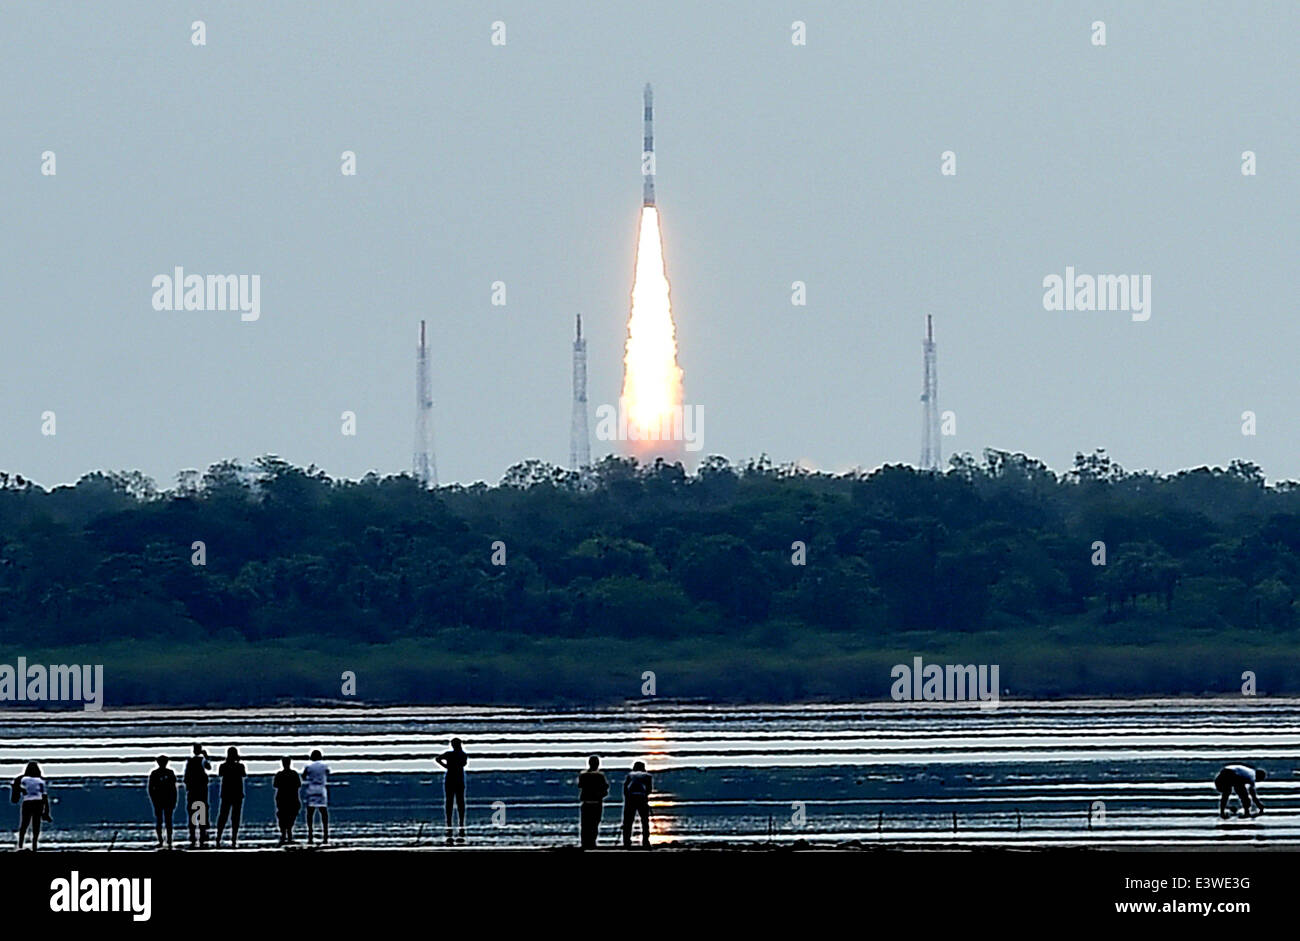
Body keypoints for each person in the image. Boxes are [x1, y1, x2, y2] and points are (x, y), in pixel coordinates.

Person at [435, 738, 468, 844]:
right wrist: (447, 766)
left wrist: (447, 766)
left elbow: (438, 759)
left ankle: (451, 823)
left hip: (451, 778)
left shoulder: (451, 754)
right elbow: (463, 764)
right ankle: (459, 823)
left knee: (451, 802)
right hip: (457, 779)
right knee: (459, 802)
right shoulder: (462, 755)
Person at [215, 746, 247, 848]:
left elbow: (220, 774)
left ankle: (219, 837)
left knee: (223, 816)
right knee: (235, 817)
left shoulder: (223, 766)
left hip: (226, 793)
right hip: (237, 793)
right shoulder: (240, 766)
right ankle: (233, 838)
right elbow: (243, 774)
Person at [14, 762, 50, 851]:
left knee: (24, 824)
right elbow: (45, 797)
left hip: (27, 802)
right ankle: (34, 846)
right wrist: (46, 812)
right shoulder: (41, 781)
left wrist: (21, 792)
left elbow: (17, 788)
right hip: (38, 802)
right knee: (36, 825)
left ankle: (20, 844)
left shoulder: (23, 779)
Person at [183, 744, 212, 848]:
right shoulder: (200, 761)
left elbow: (186, 777)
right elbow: (209, 767)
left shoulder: (191, 761)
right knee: (201, 812)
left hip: (194, 791)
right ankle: (201, 835)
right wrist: (206, 757)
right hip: (200, 791)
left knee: (193, 813)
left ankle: (194, 835)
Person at [577, 755, 608, 849]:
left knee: (585, 825)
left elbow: (580, 785)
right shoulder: (600, 775)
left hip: (586, 802)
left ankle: (584, 844)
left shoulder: (583, 774)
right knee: (594, 824)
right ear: (598, 764)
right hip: (596, 802)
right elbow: (605, 788)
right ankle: (592, 843)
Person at [147, 756, 178, 848]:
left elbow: (173, 788)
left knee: (164, 821)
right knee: (163, 820)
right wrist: (153, 799)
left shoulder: (166, 773)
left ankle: (167, 839)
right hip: (160, 800)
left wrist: (174, 799)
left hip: (164, 800)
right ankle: (163, 839)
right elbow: (151, 788)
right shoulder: (157, 773)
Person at [622, 761, 653, 848]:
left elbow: (625, 788)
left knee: (628, 821)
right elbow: (649, 789)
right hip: (642, 798)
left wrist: (627, 799)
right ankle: (645, 842)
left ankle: (626, 842)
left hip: (631, 798)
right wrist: (645, 796)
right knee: (644, 821)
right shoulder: (647, 776)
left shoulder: (630, 775)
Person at [303, 750, 330, 846]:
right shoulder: (325, 765)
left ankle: (310, 833)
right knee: (324, 812)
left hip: (311, 789)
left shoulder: (308, 766)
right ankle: (325, 833)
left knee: (310, 813)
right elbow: (327, 773)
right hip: (321, 790)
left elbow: (304, 776)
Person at [273, 757, 302, 846]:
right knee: (291, 816)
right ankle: (288, 833)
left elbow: (275, 785)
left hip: (282, 798)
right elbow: (298, 786)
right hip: (292, 797)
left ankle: (284, 834)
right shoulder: (294, 774)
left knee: (283, 816)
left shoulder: (279, 774)